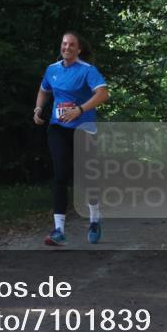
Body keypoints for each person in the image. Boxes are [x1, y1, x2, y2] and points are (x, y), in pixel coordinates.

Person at [33, 31, 110, 246]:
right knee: (60, 174)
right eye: (64, 43)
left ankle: (94, 219)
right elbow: (43, 90)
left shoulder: (88, 70)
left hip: (84, 129)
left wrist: (80, 109)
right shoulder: (52, 69)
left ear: (79, 49)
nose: (66, 47)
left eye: (71, 45)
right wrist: (38, 108)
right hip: (58, 128)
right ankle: (58, 230)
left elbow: (103, 94)